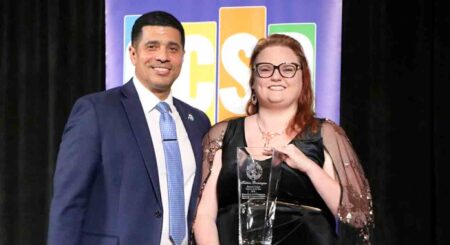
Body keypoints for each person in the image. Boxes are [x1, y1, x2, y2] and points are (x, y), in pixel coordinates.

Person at [47, 10, 211, 245]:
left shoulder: (197, 122)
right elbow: (69, 203)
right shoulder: (96, 111)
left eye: (172, 49)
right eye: (152, 46)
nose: (163, 56)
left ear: (183, 56)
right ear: (133, 53)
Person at [193, 34, 374, 244]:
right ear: (253, 81)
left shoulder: (325, 133)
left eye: (287, 69)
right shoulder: (223, 134)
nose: (276, 76)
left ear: (303, 79)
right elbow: (203, 214)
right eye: (266, 68)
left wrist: (308, 166)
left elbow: (356, 215)